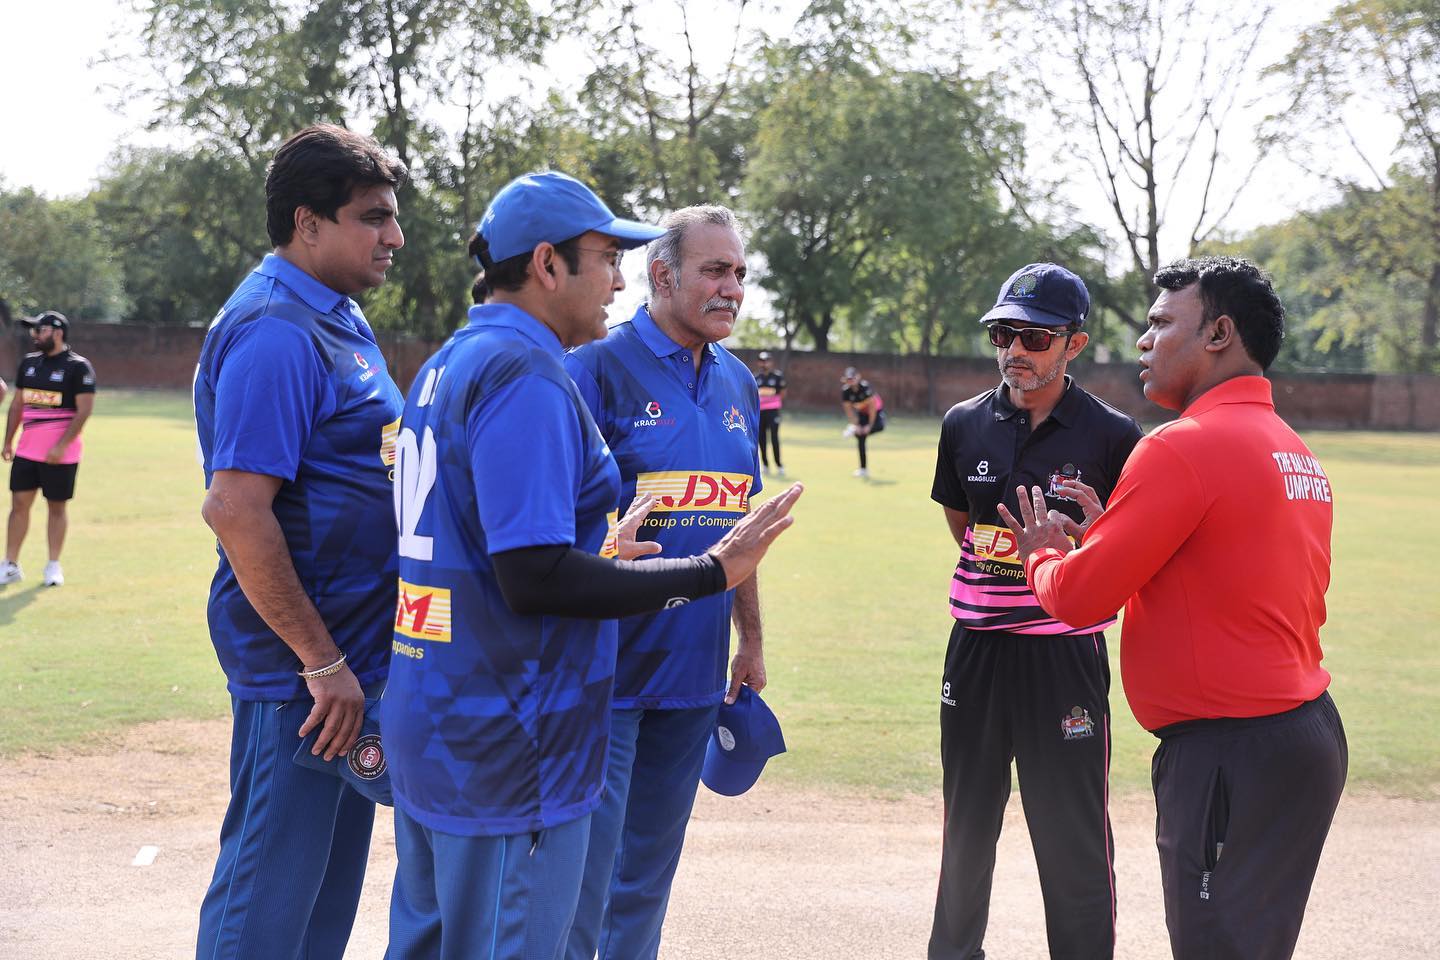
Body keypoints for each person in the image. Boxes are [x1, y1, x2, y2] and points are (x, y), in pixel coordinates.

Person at [382, 175, 802, 960]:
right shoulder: (538, 371)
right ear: (548, 264)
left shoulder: (453, 359)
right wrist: (704, 571)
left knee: (471, 927)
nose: (615, 278)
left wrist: (743, 624)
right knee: (542, 921)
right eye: (607, 258)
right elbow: (536, 570)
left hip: (455, 702)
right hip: (521, 715)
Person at [999, 256, 1346, 960]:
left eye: (1161, 323)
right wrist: (1105, 539)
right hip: (1301, 738)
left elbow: (1079, 597)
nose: (1143, 342)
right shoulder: (1294, 450)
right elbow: (1219, 577)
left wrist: (1040, 552)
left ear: (1218, 333)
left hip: (1230, 754)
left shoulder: (1182, 447)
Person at [192, 123, 408, 960]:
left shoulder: (338, 315)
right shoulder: (278, 329)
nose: (393, 236)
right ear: (307, 221)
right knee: (268, 902)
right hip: (306, 678)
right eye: (372, 217)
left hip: (353, 667)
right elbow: (237, 511)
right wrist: (321, 663)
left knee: (323, 900)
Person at [561, 204, 768, 960]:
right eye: (716, 271)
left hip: (693, 672)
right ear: (661, 274)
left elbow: (740, 536)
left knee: (648, 876)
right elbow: (542, 528)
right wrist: (600, 547)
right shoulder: (593, 369)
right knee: (580, 883)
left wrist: (749, 639)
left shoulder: (739, 385)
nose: (732, 289)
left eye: (740, 274)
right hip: (602, 675)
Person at [928, 263, 1142, 960]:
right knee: (966, 829)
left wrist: (1088, 540)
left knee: (1072, 835)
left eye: (1035, 337)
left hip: (1064, 655)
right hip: (977, 651)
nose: (1014, 349)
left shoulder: (1115, 437)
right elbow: (965, 527)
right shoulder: (963, 425)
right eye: (1003, 332)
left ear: (1074, 345)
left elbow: (1125, 547)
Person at [1, 310, 97, 587]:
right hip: (26, 451)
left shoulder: (78, 367)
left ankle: (53, 565)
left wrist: (61, 445)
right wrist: (8, 440)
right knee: (18, 505)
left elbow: (84, 411)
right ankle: (10, 563)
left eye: (39, 330)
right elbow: (18, 404)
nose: (34, 335)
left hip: (60, 455)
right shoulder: (29, 364)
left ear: (57, 332)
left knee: (56, 507)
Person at [840, 367, 884, 478]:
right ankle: (863, 469)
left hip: (876, 414)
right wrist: (857, 425)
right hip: (862, 415)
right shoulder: (846, 391)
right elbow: (849, 410)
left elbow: (872, 408)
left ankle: (852, 430)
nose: (851, 381)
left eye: (853, 378)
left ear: (858, 377)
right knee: (860, 437)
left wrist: (869, 426)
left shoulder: (865, 387)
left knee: (880, 427)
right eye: (849, 379)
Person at [753, 350, 786, 476]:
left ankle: (779, 465)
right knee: (761, 439)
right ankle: (765, 464)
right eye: (761, 361)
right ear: (758, 362)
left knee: (774, 438)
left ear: (771, 362)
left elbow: (782, 392)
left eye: (766, 361)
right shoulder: (755, 377)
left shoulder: (777, 377)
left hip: (773, 412)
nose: (764, 364)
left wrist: (773, 403)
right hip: (760, 413)